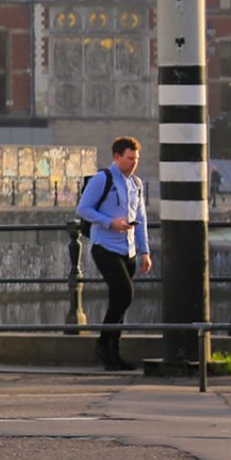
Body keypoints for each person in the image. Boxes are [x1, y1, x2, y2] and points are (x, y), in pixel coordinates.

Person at [78, 136, 152, 372]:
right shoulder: (104, 179)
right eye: (130, 158)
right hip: (105, 246)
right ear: (117, 157)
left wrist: (145, 251)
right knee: (125, 294)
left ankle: (114, 354)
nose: (134, 163)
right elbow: (83, 208)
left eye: (136, 159)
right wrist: (109, 222)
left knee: (119, 301)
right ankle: (102, 344)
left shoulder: (136, 184)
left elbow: (141, 219)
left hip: (127, 248)